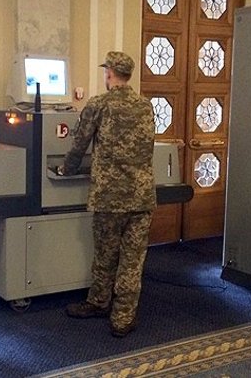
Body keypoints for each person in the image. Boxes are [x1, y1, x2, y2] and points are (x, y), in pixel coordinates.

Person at [58, 51, 156, 338]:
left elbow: (79, 144)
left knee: (105, 254)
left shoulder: (98, 104)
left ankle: (99, 302)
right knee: (132, 260)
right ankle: (123, 318)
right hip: (141, 197)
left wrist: (66, 169)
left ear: (109, 73)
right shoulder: (146, 105)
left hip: (109, 197)